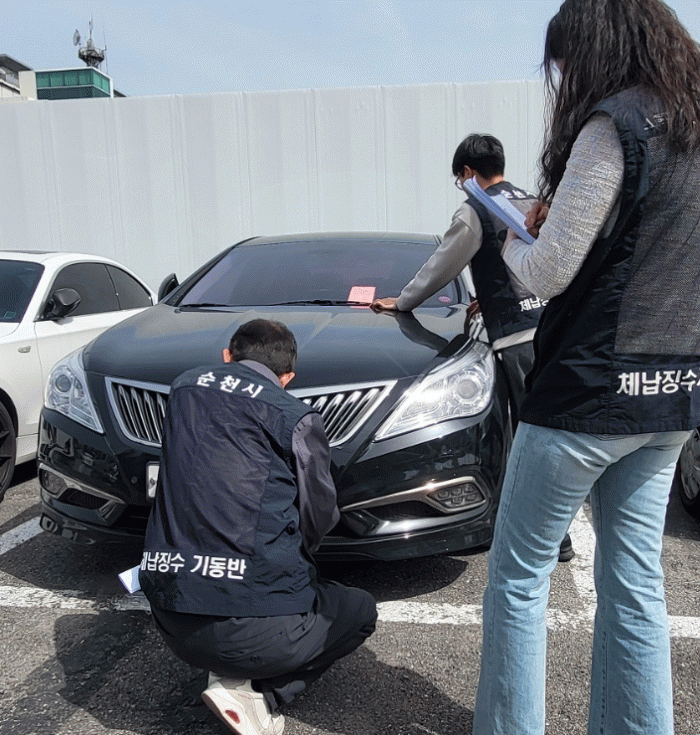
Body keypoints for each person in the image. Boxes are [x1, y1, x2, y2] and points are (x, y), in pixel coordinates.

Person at [472, 1, 700, 733]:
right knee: (635, 584)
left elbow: (546, 271)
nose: (565, 78)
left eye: (565, 61)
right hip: (672, 396)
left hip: (587, 394)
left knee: (518, 577)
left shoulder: (616, 124)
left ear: (596, 47)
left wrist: (513, 235)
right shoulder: (692, 124)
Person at [139, 319, 377, 735]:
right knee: (359, 610)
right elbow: (319, 514)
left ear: (227, 355)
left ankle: (230, 668)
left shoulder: (183, 389)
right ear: (287, 378)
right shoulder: (294, 415)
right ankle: (262, 696)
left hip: (171, 619)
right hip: (258, 632)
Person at [371, 133, 574, 562]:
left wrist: (403, 302)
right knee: (552, 432)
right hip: (552, 327)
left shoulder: (475, 208)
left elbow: (442, 265)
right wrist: (493, 294)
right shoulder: (530, 200)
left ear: (466, 172)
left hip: (516, 336)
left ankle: (552, 538)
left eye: (458, 179)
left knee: (529, 437)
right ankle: (560, 535)